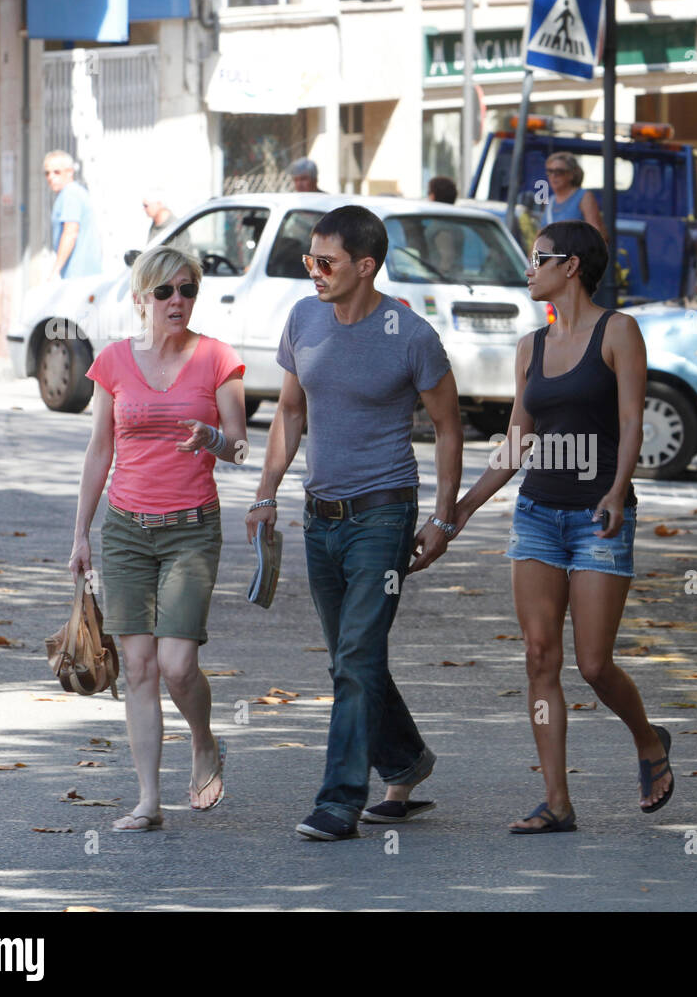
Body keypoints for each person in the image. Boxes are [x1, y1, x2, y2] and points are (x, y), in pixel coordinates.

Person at [245, 205, 464, 842]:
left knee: (356, 656)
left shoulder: (411, 334)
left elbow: (449, 427)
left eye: (326, 262)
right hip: (322, 518)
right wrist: (266, 494)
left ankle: (340, 800)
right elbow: (289, 411)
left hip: (383, 515)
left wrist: (443, 518)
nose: (313, 271)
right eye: (309, 259)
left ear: (365, 266)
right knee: (351, 659)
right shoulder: (304, 318)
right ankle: (405, 761)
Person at [449, 219, 673, 832]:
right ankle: (557, 801)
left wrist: (618, 492)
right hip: (537, 515)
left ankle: (649, 740)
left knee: (594, 664)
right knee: (539, 657)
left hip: (598, 516)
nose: (530, 268)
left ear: (571, 266)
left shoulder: (619, 332)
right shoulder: (532, 346)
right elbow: (518, 437)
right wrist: (463, 509)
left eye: (539, 257)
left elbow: (633, 422)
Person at [69, 244, 248, 832]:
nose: (179, 301)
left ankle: (203, 741)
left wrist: (213, 438)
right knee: (139, 667)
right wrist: (81, 535)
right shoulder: (114, 361)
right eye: (166, 291)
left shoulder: (218, 358)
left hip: (191, 528)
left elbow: (240, 444)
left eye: (188, 289)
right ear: (143, 296)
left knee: (176, 665)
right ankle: (149, 799)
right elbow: (101, 449)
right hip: (125, 529)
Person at [44, 150, 102, 280]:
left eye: (56, 172)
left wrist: (55, 270)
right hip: (82, 272)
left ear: (69, 172)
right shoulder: (73, 193)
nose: (50, 177)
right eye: (47, 173)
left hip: (78, 273)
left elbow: (70, 233)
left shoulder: (70, 194)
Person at [542, 152, 608, 243]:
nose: (553, 176)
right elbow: (540, 237)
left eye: (559, 172)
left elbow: (597, 235)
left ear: (571, 175)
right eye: (550, 171)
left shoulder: (584, 196)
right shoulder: (551, 201)